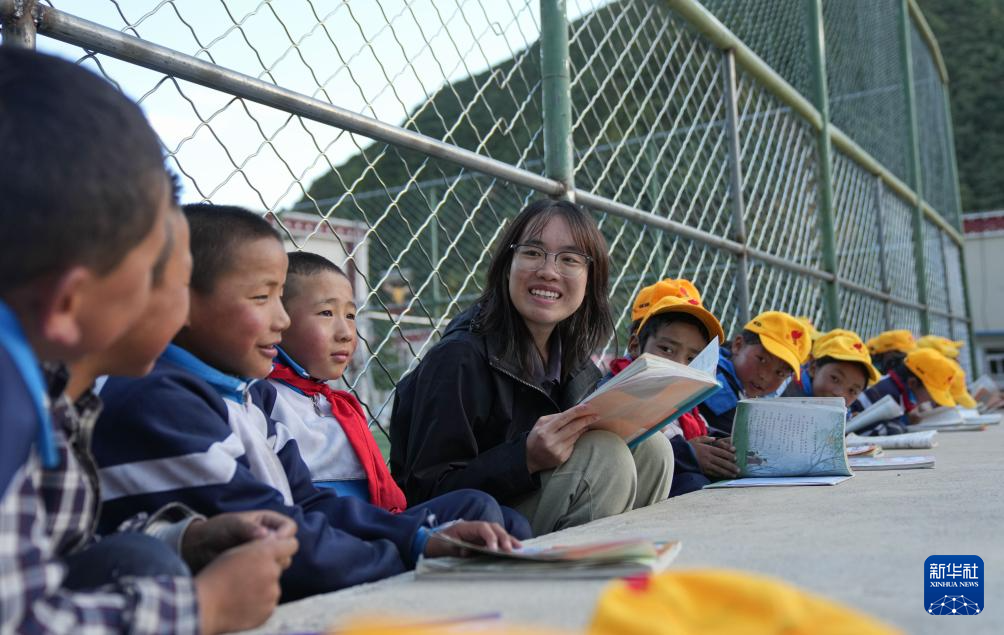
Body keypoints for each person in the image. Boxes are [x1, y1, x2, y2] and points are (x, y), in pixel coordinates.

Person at [0, 49, 293, 634]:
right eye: (169, 279)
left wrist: (187, 538)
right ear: (69, 304)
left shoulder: (55, 397)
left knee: (141, 557)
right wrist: (203, 608)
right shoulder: (9, 406)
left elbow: (50, 554)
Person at [92, 204, 520, 601]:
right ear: (181, 301)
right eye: (262, 298)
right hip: (265, 581)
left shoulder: (250, 396)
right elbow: (274, 540)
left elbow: (308, 503)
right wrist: (407, 555)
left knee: (484, 518)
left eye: (280, 297)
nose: (281, 320)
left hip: (300, 548)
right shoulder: (160, 402)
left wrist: (418, 539)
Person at [390, 199, 675, 536]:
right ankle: (580, 568)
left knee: (654, 450)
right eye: (532, 253)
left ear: (590, 279)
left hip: (525, 504)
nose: (548, 271)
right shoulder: (458, 358)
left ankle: (631, 558)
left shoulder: (574, 360)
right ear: (507, 265)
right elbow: (426, 493)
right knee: (605, 457)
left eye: (569, 259)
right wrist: (524, 458)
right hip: (474, 529)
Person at [262, 251, 531, 537]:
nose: (346, 333)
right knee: (478, 507)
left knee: (512, 523)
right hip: (338, 532)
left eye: (351, 315)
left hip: (377, 522)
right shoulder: (265, 398)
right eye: (326, 313)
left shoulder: (336, 405)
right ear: (278, 320)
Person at [604, 279, 736, 497]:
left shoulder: (687, 399)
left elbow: (698, 433)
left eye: (692, 358)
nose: (679, 365)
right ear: (635, 343)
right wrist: (689, 454)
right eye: (666, 349)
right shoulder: (617, 392)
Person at [697, 311, 812, 435]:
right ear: (738, 345)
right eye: (762, 360)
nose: (765, 377)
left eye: (780, 373)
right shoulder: (711, 376)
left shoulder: (752, 394)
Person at [849, 348, 957, 435]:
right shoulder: (887, 394)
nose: (932, 400)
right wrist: (904, 422)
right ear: (912, 383)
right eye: (931, 394)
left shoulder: (898, 390)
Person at [783, 333, 880, 407]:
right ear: (813, 367)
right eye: (835, 379)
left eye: (852, 391)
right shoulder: (785, 396)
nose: (840, 395)